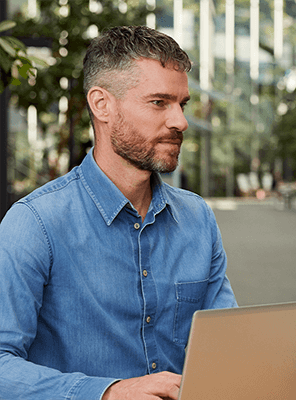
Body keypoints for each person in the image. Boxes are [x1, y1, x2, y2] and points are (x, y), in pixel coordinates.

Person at [0, 26, 238, 400]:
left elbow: (226, 347)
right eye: (159, 102)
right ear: (102, 105)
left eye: (182, 104)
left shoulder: (197, 218)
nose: (180, 122)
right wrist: (107, 393)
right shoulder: (34, 224)